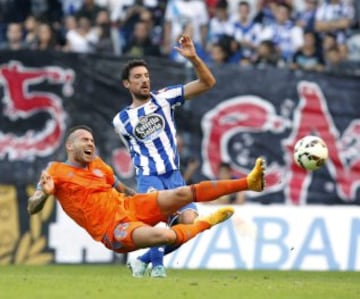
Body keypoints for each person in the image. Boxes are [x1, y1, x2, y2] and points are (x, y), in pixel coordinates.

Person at [27, 125, 266, 266]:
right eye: (84, 140)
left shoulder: (99, 165)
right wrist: (44, 195)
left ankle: (249, 182)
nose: (90, 143)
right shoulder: (55, 172)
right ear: (70, 146)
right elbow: (32, 207)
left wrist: (148, 200)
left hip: (131, 206)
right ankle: (205, 224)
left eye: (92, 140)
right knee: (162, 235)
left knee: (182, 193)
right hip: (113, 229)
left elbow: (121, 188)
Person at [112, 33, 216, 278]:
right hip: (150, 177)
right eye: (137, 77)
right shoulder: (121, 121)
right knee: (156, 225)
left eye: (146, 76)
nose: (144, 80)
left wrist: (194, 58)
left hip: (175, 176)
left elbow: (208, 82)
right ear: (127, 84)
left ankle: (143, 260)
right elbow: (136, 151)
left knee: (189, 224)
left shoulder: (165, 98)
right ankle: (158, 268)